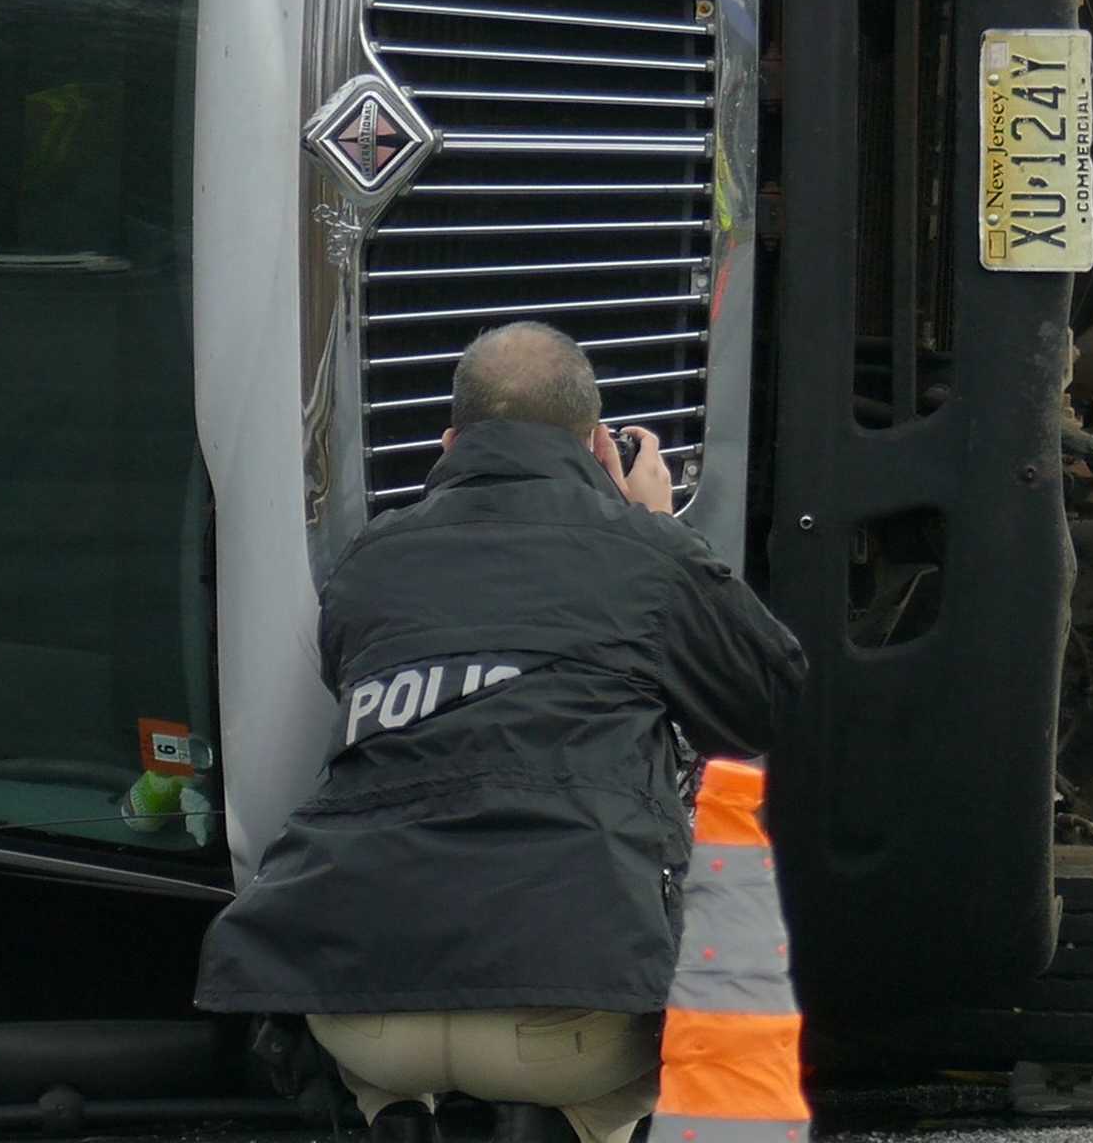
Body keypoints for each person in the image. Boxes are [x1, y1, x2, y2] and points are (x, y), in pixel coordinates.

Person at [197, 322, 808, 1143]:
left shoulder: (370, 560)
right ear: (600, 446)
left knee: (387, 1074)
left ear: (450, 442)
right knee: (619, 1080)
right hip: (565, 1012)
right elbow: (765, 702)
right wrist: (664, 532)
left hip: (359, 1001)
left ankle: (397, 1115)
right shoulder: (644, 550)